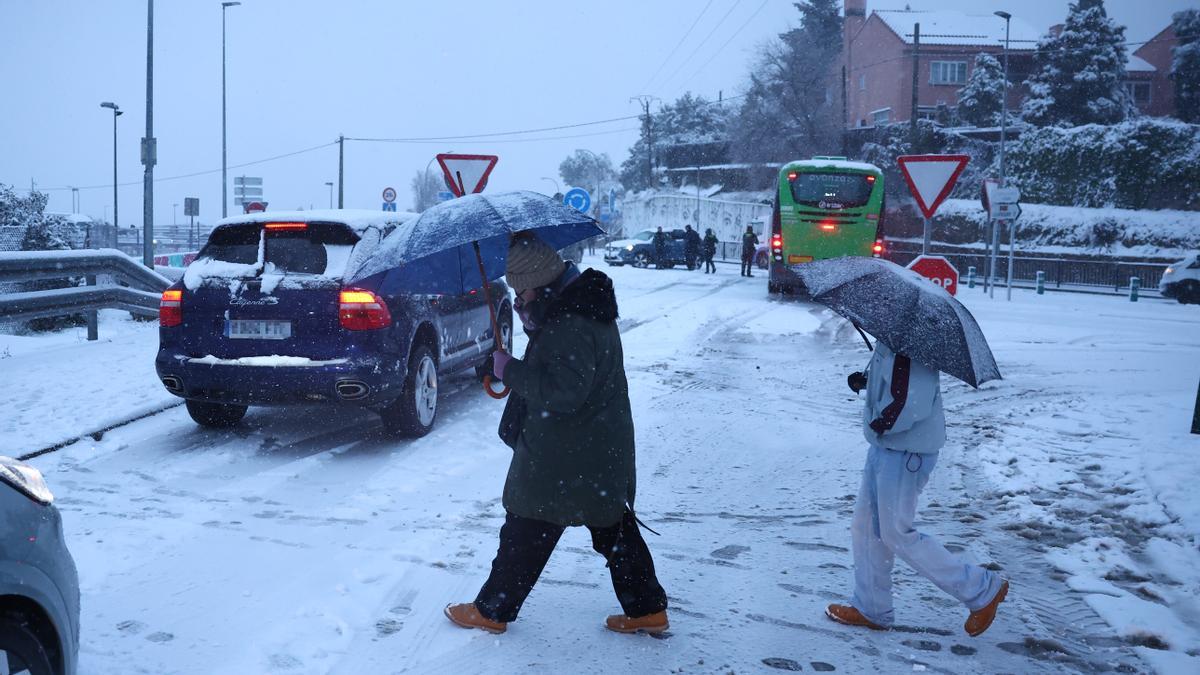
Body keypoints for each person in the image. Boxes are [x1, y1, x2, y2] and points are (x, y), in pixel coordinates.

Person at [445, 234, 669, 636]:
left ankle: (492, 610)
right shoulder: (577, 310)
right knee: (611, 527)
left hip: (566, 452)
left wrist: (508, 370)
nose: (519, 298)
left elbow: (563, 392)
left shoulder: (572, 324)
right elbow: (564, 369)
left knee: (527, 527)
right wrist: (529, 336)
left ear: (539, 285)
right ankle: (646, 609)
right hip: (593, 447)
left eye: (522, 291)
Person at [826, 341, 1008, 636]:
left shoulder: (913, 343)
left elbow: (912, 400)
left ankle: (981, 588)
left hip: (906, 451)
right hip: (886, 447)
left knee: (897, 533)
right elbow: (894, 383)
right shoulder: (893, 338)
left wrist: (880, 421)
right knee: (867, 527)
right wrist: (868, 382)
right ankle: (872, 607)